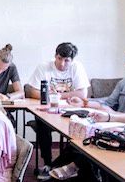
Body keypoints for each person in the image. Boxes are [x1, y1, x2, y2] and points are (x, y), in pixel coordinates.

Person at [46, 43, 125, 182]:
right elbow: (108, 102)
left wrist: (110, 114)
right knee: (83, 138)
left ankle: (70, 167)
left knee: (95, 141)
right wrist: (84, 102)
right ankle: (59, 166)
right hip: (115, 125)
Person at [25, 42, 89, 174]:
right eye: (59, 59)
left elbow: (83, 94)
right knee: (42, 124)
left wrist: (57, 96)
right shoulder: (44, 67)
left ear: (72, 60)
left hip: (70, 112)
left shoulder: (77, 67)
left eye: (67, 61)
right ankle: (48, 163)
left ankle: (63, 164)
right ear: (55, 56)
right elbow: (32, 91)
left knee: (79, 130)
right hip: (48, 111)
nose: (62, 64)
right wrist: (61, 97)